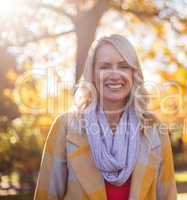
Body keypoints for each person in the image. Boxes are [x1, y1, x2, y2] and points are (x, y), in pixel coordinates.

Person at [34, 34, 177, 200]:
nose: (115, 75)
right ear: (93, 74)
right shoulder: (66, 127)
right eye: (105, 66)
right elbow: (46, 196)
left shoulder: (154, 129)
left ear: (133, 73)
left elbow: (168, 196)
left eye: (123, 66)